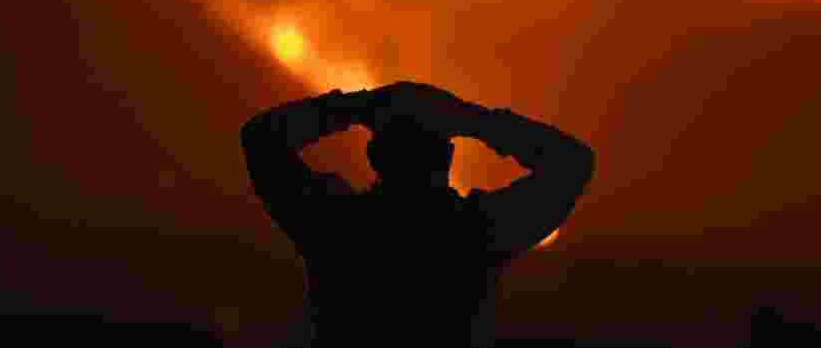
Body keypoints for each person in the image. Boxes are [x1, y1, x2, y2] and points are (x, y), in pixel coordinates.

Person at [239, 80, 595, 347]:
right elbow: (571, 162)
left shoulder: (335, 223)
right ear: (446, 158)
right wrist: (472, 118)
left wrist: (357, 106)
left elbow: (261, 138)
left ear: (375, 156)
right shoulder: (478, 231)